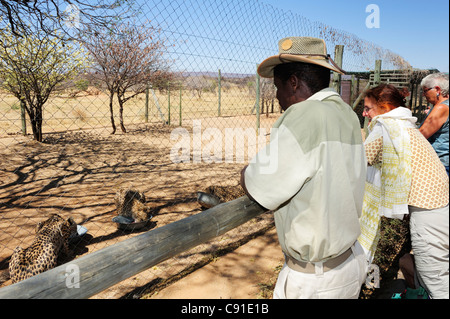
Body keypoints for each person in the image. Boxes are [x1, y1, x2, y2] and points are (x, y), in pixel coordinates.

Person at [240, 37, 368, 299]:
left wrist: (244, 173)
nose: (277, 96)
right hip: (348, 262)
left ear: (294, 82)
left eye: (278, 87)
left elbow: (261, 183)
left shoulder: (304, 115)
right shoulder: (345, 114)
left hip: (316, 281)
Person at [359, 83, 449, 299]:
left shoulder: (386, 127)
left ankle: (371, 292)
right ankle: (392, 290)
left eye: (368, 108)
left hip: (425, 213)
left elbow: (358, 162)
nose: (364, 113)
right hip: (422, 208)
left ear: (385, 107)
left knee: (435, 278)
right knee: (391, 256)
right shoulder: (404, 126)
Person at [419, 72, 449, 175]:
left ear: (437, 89)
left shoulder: (441, 108)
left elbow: (420, 135)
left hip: (440, 164)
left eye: (425, 90)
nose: (423, 94)